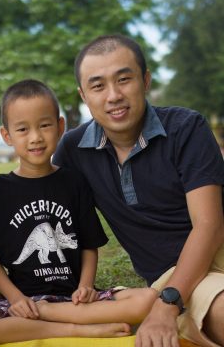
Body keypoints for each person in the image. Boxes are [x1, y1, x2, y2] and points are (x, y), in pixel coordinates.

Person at [52, 34, 224, 347]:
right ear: (83, 95)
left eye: (124, 79)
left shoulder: (186, 128)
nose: (114, 95)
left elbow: (209, 225)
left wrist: (165, 306)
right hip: (178, 278)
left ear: (145, 81)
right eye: (98, 85)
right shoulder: (74, 150)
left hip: (214, 252)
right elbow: (40, 206)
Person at [0, 79, 157, 344]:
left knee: (147, 298)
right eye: (23, 129)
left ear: (60, 127)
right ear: (7, 136)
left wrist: (86, 286)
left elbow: (88, 246)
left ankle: (49, 315)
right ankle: (75, 330)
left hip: (75, 300)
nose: (36, 137)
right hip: (25, 300)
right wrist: (15, 299)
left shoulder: (74, 182)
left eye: (45, 125)